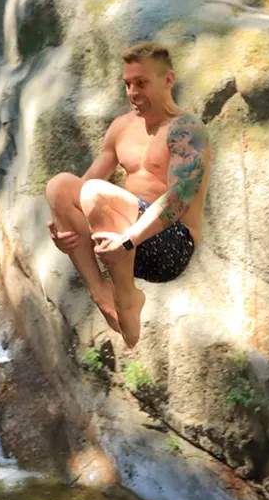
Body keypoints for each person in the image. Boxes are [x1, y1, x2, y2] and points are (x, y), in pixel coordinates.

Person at [44, 42, 209, 349]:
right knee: (59, 187)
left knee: (96, 194)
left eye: (142, 83)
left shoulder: (187, 130)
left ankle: (127, 297)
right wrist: (61, 228)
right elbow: (80, 190)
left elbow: (179, 200)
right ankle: (100, 290)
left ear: (168, 80)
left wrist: (129, 239)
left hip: (170, 246)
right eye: (128, 84)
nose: (133, 92)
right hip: (121, 244)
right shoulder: (121, 127)